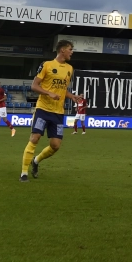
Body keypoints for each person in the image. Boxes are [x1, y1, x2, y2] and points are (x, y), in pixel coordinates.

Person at [21, 40, 75, 181]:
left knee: (55, 146)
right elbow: (34, 86)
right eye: (70, 49)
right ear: (62, 50)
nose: (72, 52)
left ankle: (36, 161)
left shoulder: (70, 69)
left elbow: (62, 90)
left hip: (58, 112)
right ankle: (24, 173)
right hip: (43, 109)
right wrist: (48, 93)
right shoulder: (46, 65)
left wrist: (72, 96)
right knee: (35, 138)